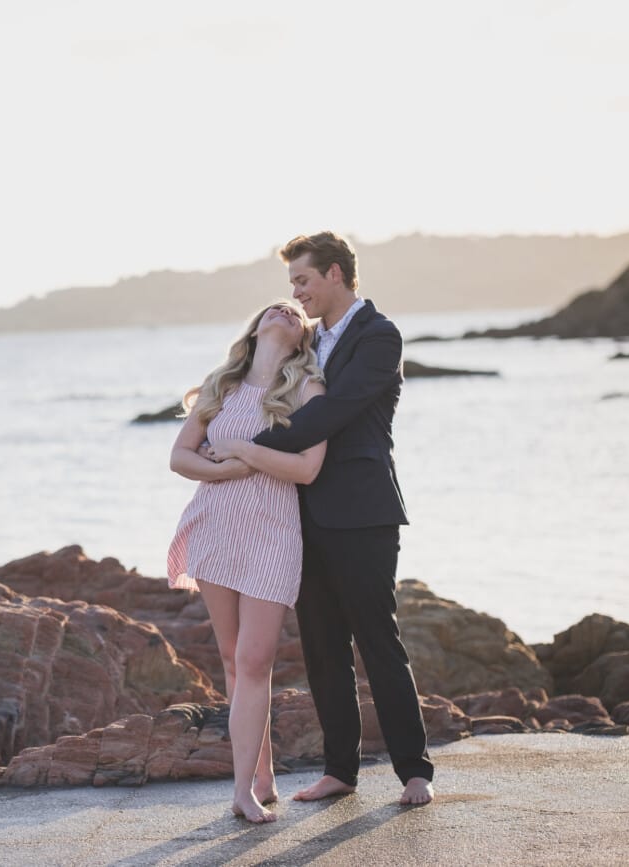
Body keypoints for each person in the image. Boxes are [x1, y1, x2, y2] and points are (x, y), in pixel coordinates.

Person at [251, 231, 435, 806]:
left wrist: (248, 446)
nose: (296, 292)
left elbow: (333, 411)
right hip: (301, 511)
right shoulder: (303, 343)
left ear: (335, 274)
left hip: (362, 511)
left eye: (303, 280)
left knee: (378, 640)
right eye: (292, 284)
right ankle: (340, 772)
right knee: (322, 647)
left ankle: (414, 773)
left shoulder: (380, 336)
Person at [167, 299, 328, 823]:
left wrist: (239, 449)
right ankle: (259, 777)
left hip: (274, 535)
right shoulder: (222, 385)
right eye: (273, 307)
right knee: (235, 661)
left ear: (303, 338)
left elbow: (305, 469)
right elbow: (180, 456)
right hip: (216, 528)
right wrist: (228, 472)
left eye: (294, 310)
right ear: (257, 327)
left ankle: (240, 792)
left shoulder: (307, 388)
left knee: (257, 661)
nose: (284, 308)